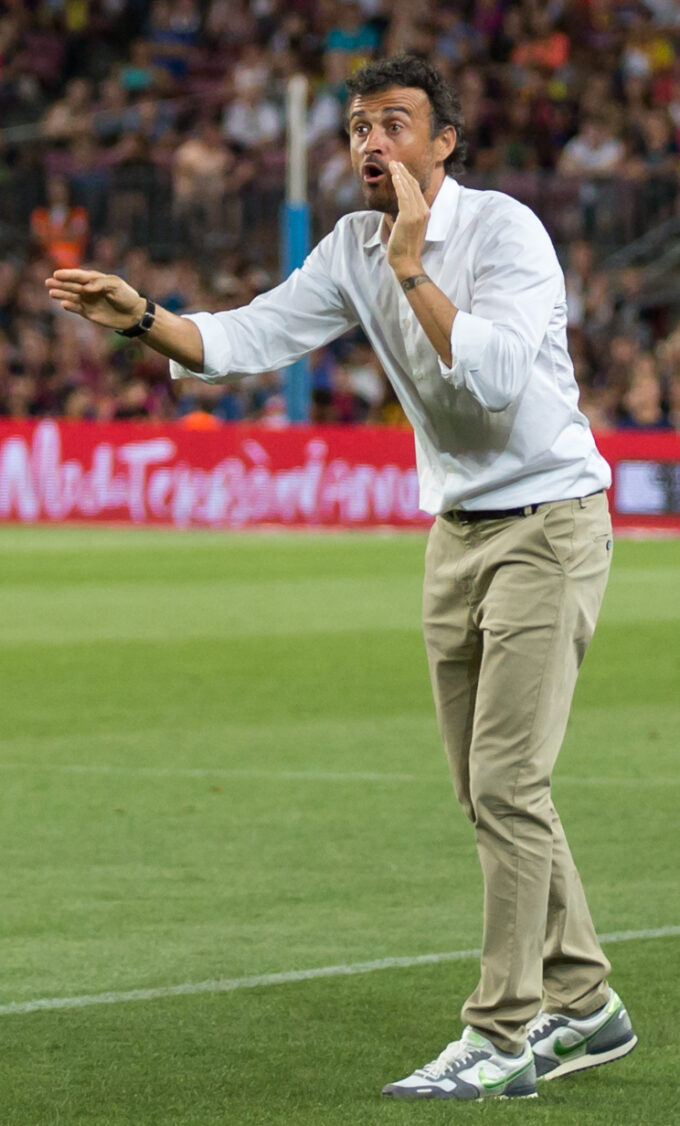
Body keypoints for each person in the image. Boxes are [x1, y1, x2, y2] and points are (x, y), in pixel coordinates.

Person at [46, 55, 637, 1103]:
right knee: (487, 791)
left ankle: (502, 1034)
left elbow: (499, 378)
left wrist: (412, 268)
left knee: (507, 787)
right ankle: (586, 1001)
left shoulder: (504, 232)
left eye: (394, 123)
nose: (371, 141)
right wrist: (141, 316)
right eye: (359, 125)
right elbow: (247, 336)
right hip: (455, 532)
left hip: (547, 525)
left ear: (443, 142)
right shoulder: (354, 247)